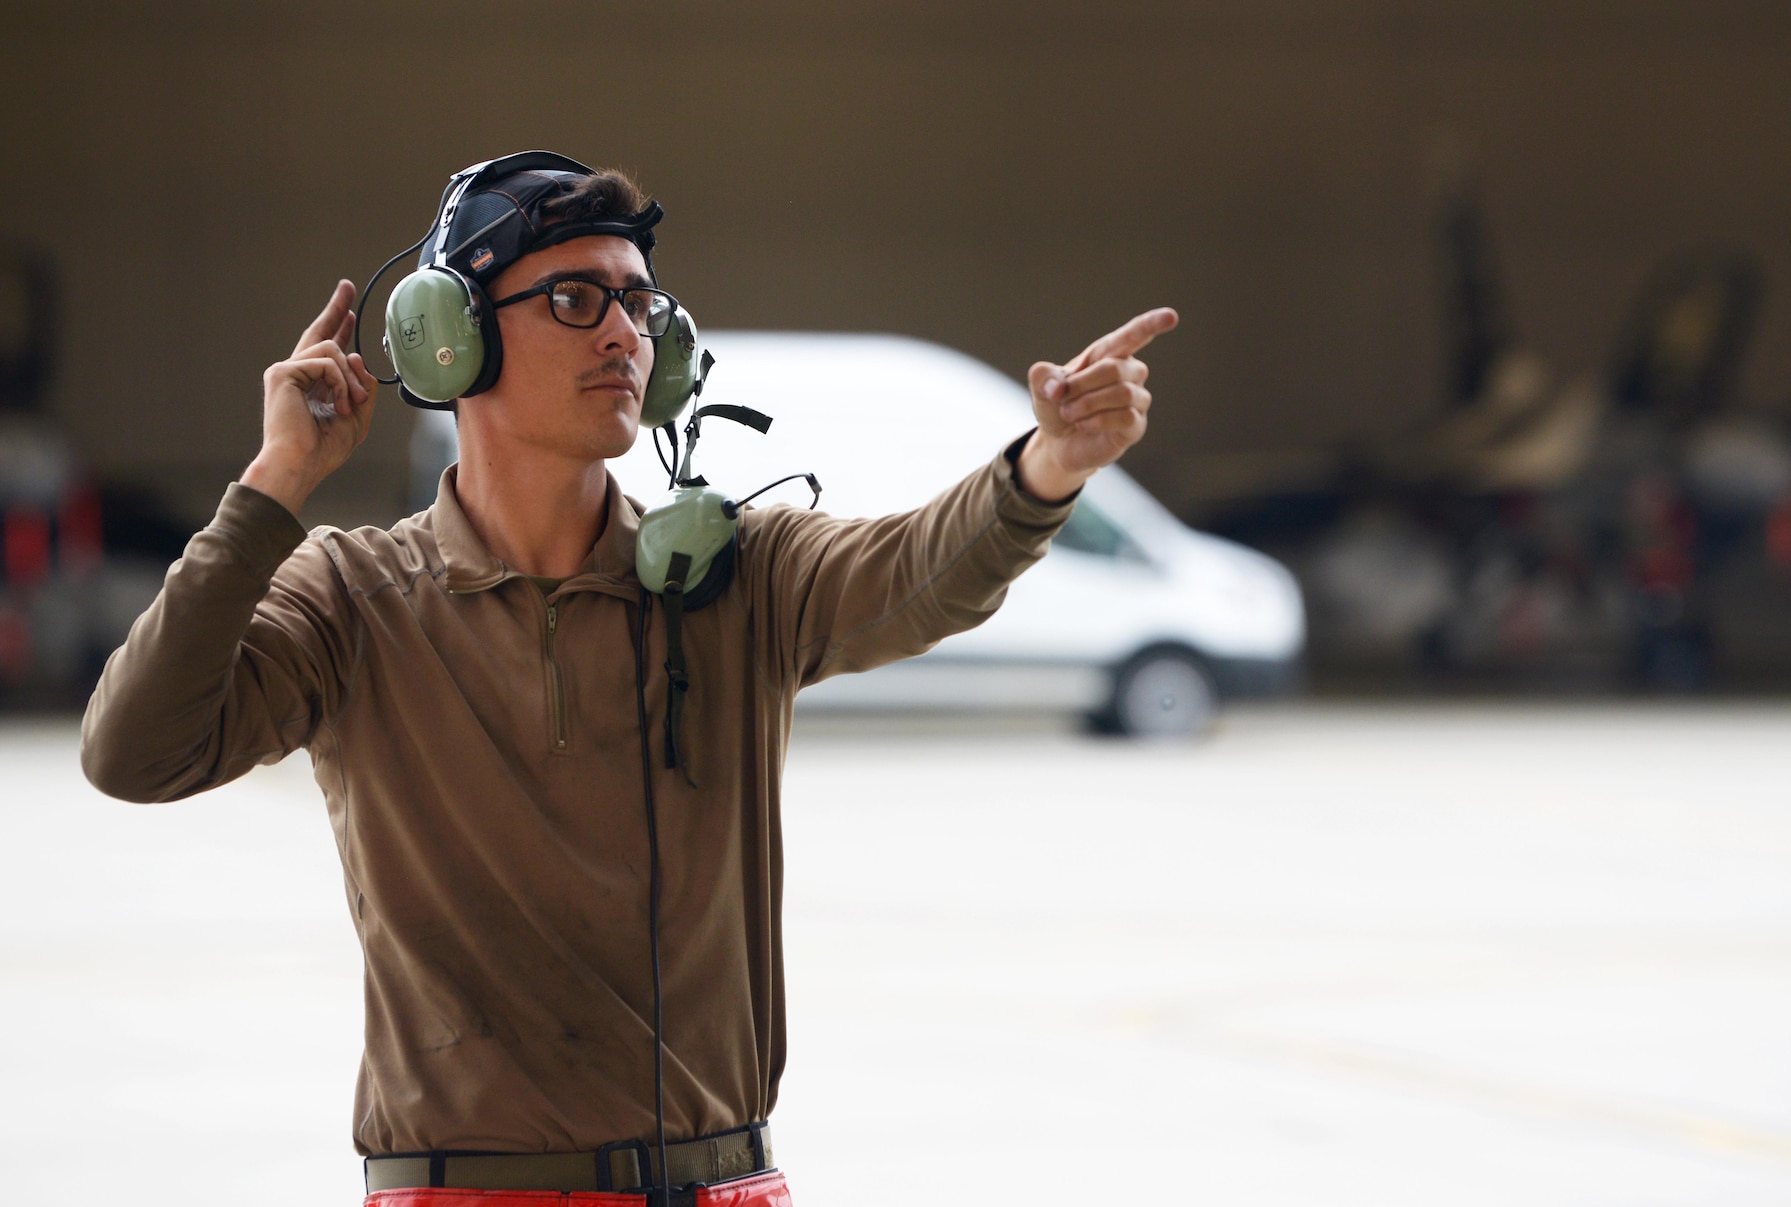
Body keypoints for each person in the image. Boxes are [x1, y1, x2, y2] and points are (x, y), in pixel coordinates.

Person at [80, 154, 1175, 1205]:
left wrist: (1044, 470)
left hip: (723, 1181)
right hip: (465, 1197)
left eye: (641, 307)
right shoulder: (351, 599)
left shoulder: (737, 574)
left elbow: (916, 572)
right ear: (450, 339)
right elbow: (134, 752)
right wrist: (275, 486)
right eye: (572, 300)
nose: (621, 333)